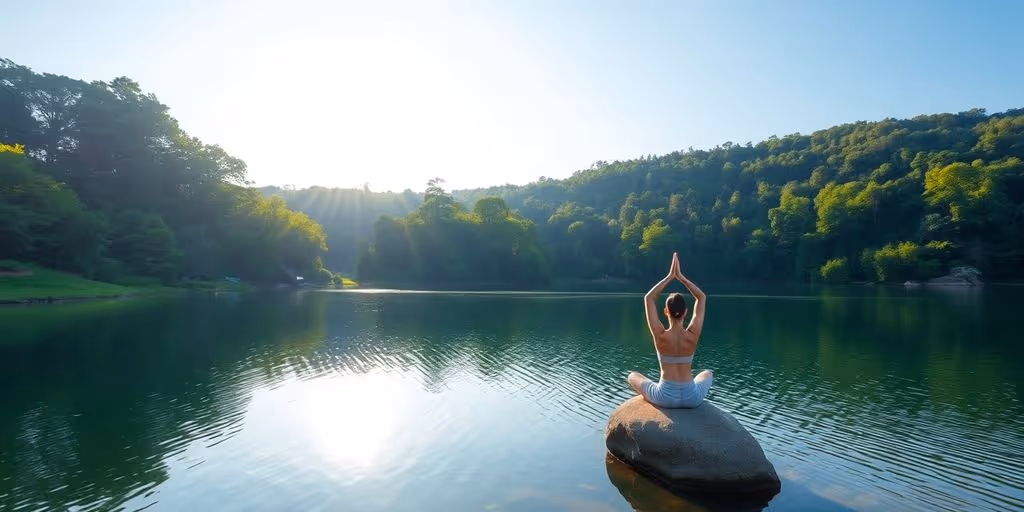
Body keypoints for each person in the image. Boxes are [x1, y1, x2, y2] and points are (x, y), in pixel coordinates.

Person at [626, 252, 713, 408]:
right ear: (686, 312)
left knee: (632, 376)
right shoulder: (692, 334)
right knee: (708, 373)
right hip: (692, 398)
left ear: (666, 311)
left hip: (664, 397)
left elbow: (648, 298)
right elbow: (701, 297)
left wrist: (669, 277)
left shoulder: (660, 335)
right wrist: (681, 277)